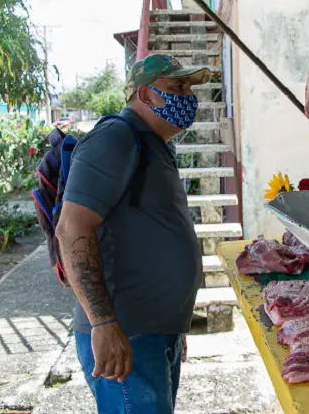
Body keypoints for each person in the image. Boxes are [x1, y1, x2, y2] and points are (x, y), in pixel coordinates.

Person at [55, 54, 210, 413]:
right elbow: (72, 228)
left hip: (155, 334)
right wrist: (103, 323)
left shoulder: (156, 145)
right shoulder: (115, 139)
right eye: (178, 87)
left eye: (189, 87)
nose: (189, 96)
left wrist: (173, 323)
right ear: (145, 94)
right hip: (127, 335)